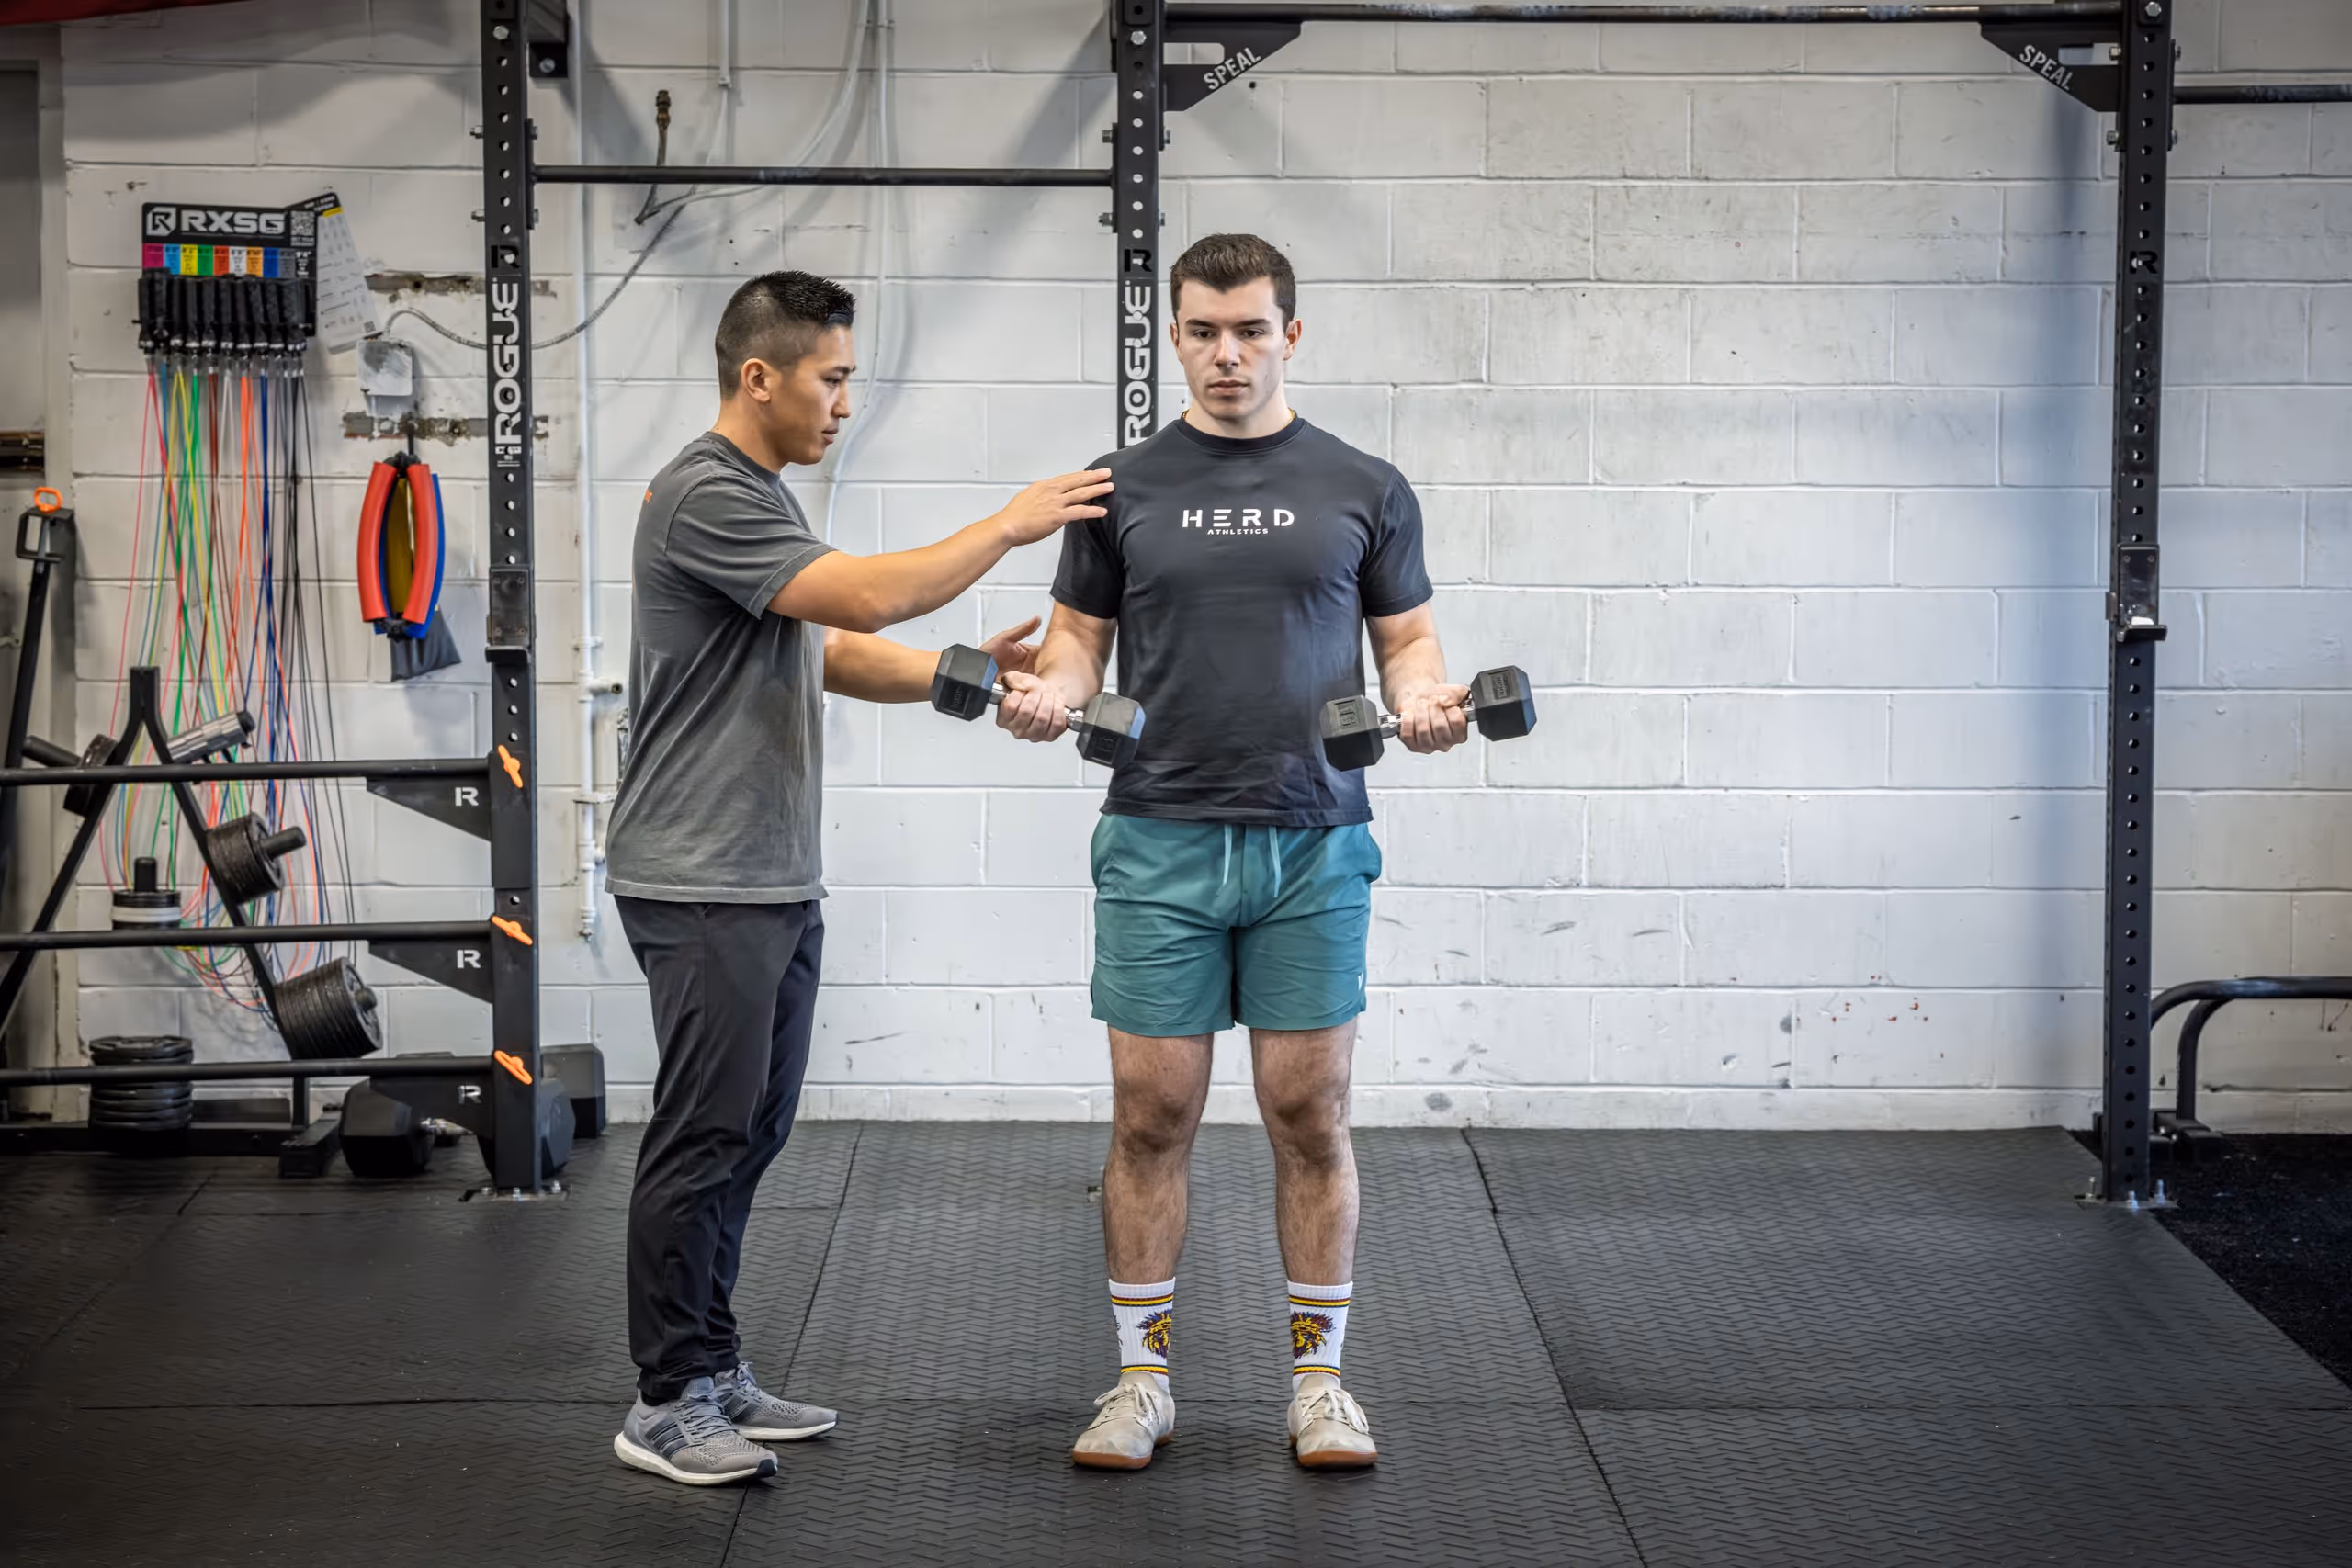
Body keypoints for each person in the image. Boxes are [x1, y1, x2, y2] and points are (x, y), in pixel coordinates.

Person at [604, 269, 1111, 1486]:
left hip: (767, 872)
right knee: (701, 1131)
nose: (844, 401)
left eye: (849, 378)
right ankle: (665, 1395)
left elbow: (828, 648)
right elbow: (869, 590)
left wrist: (962, 675)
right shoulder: (705, 495)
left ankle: (714, 1363)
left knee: (752, 1128)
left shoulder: (756, 507)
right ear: (758, 376)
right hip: (700, 874)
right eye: (831, 379)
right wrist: (1011, 521)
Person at [995, 234, 1470, 1472]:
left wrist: (1424, 700)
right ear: (1175, 334)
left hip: (1315, 837)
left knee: (1306, 1109)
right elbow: (1074, 646)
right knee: (1153, 1111)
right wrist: (1050, 692)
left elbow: (1407, 645)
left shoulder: (1366, 485)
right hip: (1158, 833)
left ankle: (1321, 1386)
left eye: (1250, 330)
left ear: (1291, 336)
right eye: (1202, 331)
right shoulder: (1119, 487)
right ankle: (1141, 1382)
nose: (1225, 354)